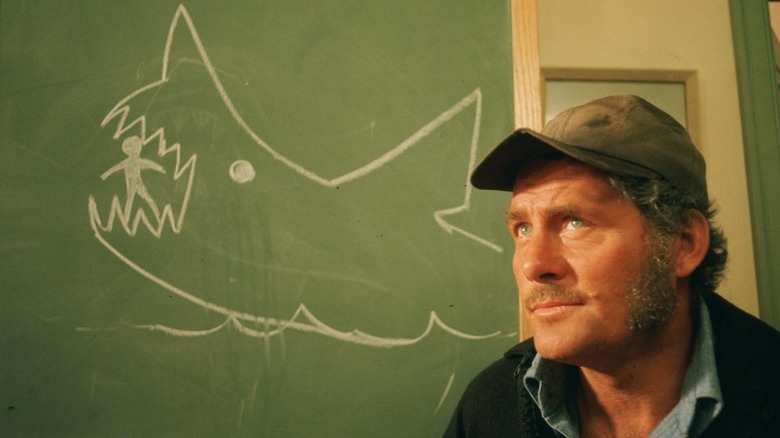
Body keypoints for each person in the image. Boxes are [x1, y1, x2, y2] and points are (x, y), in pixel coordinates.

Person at [444, 95, 780, 437]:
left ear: (683, 243)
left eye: (574, 222)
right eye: (523, 229)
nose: (533, 264)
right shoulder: (490, 406)